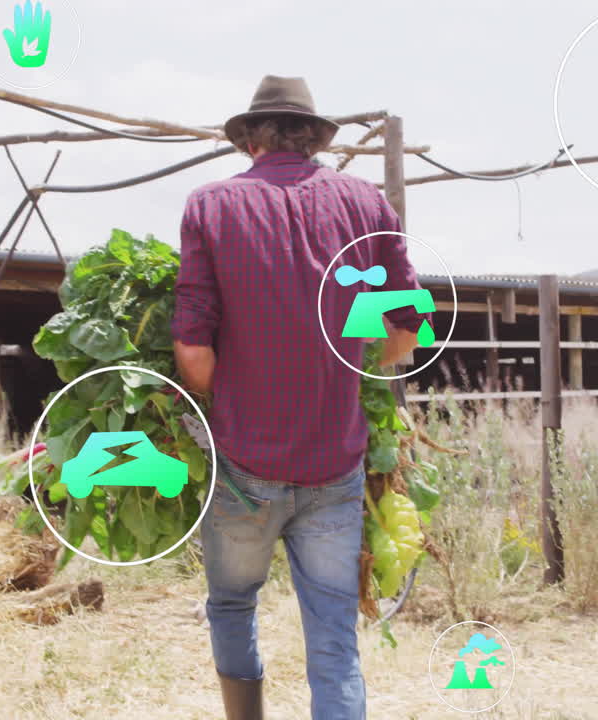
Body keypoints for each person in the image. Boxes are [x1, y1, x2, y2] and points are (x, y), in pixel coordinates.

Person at [171, 75, 428, 720]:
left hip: (243, 463)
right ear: (311, 137)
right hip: (334, 464)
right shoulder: (366, 203)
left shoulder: (209, 206)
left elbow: (194, 358)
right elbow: (407, 329)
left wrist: (232, 388)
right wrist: (352, 369)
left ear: (250, 138)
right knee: (334, 641)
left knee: (232, 603)